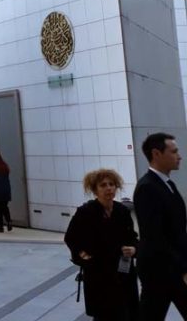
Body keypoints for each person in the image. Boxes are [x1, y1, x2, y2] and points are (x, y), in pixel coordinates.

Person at [64, 169, 139, 320]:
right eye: (103, 185)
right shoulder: (86, 212)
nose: (109, 188)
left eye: (112, 184)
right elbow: (71, 238)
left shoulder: (122, 211)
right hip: (99, 274)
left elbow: (132, 237)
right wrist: (83, 255)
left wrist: (133, 248)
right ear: (95, 190)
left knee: (127, 313)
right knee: (104, 314)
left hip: (123, 272)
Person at [134, 132, 187, 319]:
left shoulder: (166, 184)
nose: (179, 156)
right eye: (174, 151)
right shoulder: (148, 187)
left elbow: (177, 230)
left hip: (170, 267)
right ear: (156, 154)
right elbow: (155, 236)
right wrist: (183, 268)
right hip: (160, 271)